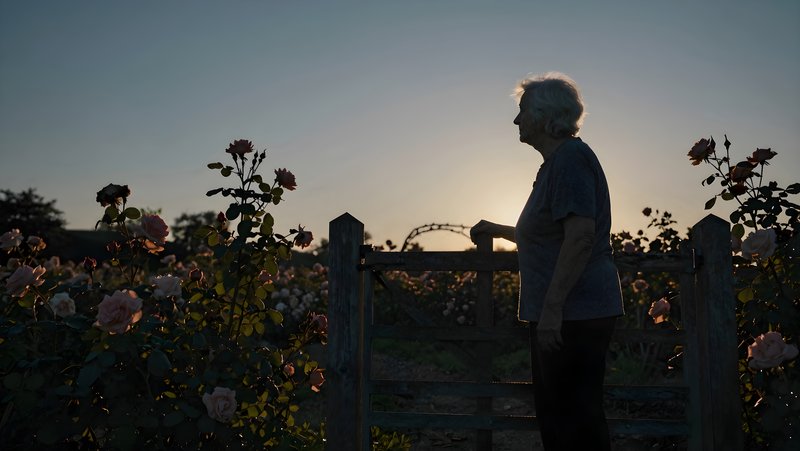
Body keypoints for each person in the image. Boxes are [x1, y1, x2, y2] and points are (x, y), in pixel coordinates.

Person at [470, 72, 624, 451]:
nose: (516, 120)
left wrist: (553, 310)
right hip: (570, 313)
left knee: (572, 424)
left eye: (522, 111)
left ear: (543, 114)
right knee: (564, 419)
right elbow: (551, 232)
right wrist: (501, 229)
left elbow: (581, 236)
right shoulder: (557, 164)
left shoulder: (570, 159)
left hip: (575, 314)